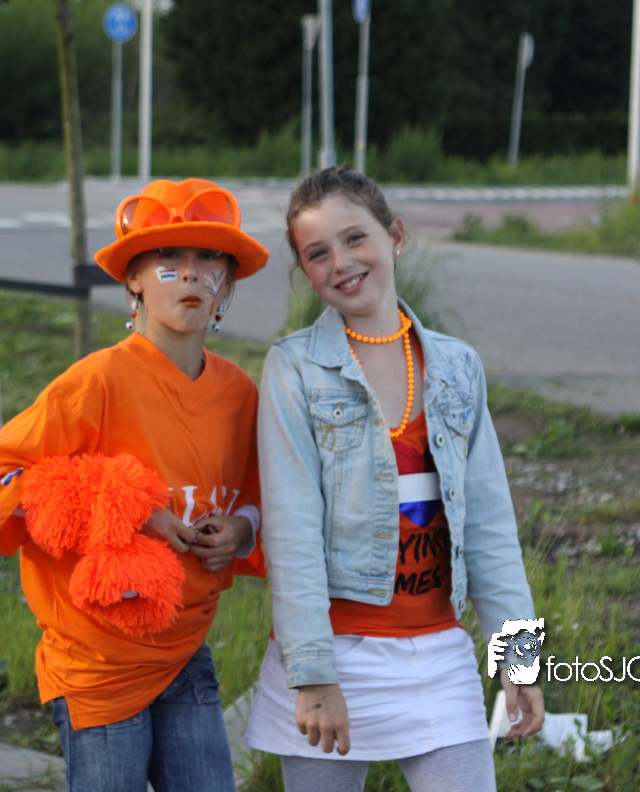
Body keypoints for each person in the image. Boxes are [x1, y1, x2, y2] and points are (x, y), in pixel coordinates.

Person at [243, 166, 544, 792]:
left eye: (355, 238)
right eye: (318, 253)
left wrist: (519, 660)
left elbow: (491, 526)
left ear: (395, 237)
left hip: (438, 655)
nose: (342, 262)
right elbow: (292, 532)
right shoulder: (294, 369)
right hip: (333, 655)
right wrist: (312, 676)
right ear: (305, 272)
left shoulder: (458, 366)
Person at [0, 178, 269, 792]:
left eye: (210, 258)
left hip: (186, 651)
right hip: (96, 661)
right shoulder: (95, 382)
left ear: (228, 282)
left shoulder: (240, 394)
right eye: (168, 258)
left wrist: (242, 529)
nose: (191, 274)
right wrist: (128, 510)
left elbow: (262, 495)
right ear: (133, 279)